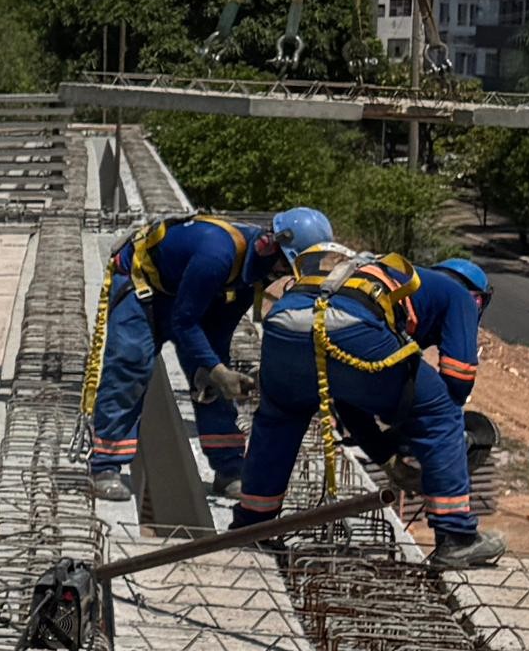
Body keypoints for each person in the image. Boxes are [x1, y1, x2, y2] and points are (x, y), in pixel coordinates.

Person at [231, 244, 498, 568]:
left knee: (279, 420)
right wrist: (443, 443)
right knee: (439, 412)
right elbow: (458, 377)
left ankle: (252, 527)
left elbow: (346, 399)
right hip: (350, 325)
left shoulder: (389, 281)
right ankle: (457, 538)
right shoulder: (458, 296)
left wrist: (389, 460)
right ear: (478, 298)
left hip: (285, 324)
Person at [85, 210, 292, 502]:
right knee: (129, 365)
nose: (284, 276)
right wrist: (217, 370)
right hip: (142, 285)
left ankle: (230, 469)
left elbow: (220, 328)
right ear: (271, 248)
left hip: (186, 294)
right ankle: (105, 466)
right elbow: (185, 322)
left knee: (213, 374)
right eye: (286, 267)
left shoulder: (253, 274)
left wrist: (214, 369)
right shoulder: (217, 255)